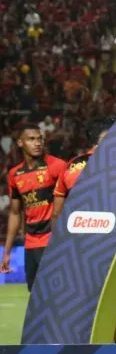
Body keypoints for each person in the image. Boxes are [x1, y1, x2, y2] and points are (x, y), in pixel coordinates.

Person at [52, 119, 116, 343]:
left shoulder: (71, 167)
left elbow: (57, 215)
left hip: (80, 250)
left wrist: (58, 251)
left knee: (81, 308)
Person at [1, 125, 66, 291]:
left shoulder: (57, 166)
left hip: (53, 240)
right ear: (20, 143)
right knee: (35, 296)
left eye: (40, 139)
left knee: (56, 294)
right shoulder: (15, 175)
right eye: (31, 139)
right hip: (30, 243)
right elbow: (15, 213)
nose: (37, 143)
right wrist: (7, 252)